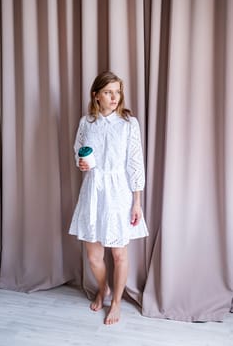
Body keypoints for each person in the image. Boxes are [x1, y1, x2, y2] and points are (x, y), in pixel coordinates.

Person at [69, 71, 148, 325]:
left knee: (118, 254)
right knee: (93, 255)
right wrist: (81, 164)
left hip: (119, 192)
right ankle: (103, 288)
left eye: (117, 92)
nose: (114, 97)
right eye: (108, 92)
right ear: (96, 96)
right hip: (93, 190)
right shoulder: (86, 123)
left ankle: (116, 303)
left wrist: (137, 202)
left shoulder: (128, 123)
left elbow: (136, 164)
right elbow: (78, 152)